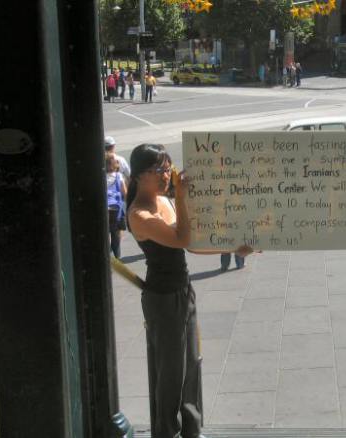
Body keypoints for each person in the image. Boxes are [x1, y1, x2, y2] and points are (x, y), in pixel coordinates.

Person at [126, 144, 252, 438]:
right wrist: (181, 196)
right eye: (159, 170)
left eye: (168, 167)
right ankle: (167, 432)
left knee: (192, 364)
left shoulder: (164, 201)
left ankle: (192, 431)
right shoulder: (139, 215)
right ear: (139, 176)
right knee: (171, 374)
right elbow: (182, 238)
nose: (167, 175)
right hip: (162, 298)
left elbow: (191, 245)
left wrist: (234, 248)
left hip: (183, 291)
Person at [106, 152, 127, 259]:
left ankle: (107, 255)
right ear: (114, 164)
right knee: (116, 233)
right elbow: (124, 192)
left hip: (105, 209)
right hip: (116, 210)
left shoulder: (101, 177)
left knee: (106, 232)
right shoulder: (119, 176)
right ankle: (117, 256)